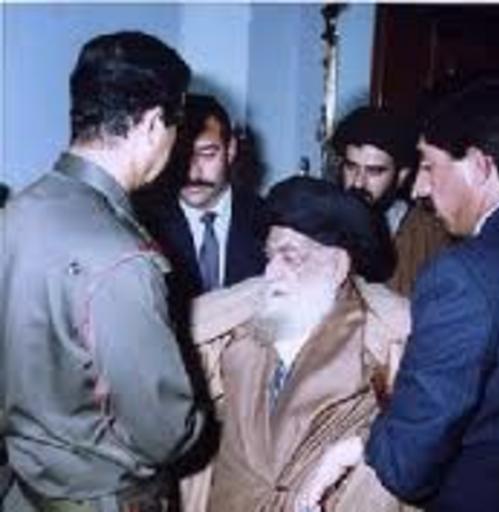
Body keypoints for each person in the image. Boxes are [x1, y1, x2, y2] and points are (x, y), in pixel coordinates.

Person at [298, 79, 499, 512]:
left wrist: (356, 446)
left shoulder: (462, 274)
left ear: (479, 166)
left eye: (429, 167)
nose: (419, 189)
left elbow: (406, 465)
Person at [0, 31, 205, 512]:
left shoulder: (15, 213)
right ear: (152, 123)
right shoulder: (122, 256)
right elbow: (164, 432)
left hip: (23, 492)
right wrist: (202, 416)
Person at [179, 176, 415, 512]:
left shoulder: (380, 352)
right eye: (270, 256)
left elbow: (414, 440)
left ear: (338, 267)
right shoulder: (235, 335)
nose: (271, 272)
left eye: (290, 257)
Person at [134, 93, 266, 298]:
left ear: (230, 149)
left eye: (207, 154)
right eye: (179, 157)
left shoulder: (266, 221)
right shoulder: (142, 225)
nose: (192, 173)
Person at [332, 105, 451, 296]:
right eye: (351, 167)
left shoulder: (428, 236)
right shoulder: (319, 224)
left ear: (401, 176)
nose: (358, 182)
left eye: (374, 171)